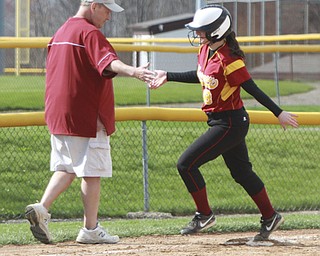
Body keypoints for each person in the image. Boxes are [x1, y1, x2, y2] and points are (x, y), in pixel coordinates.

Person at [149, 4, 298, 240]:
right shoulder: (206, 50)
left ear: (217, 31)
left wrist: (278, 112)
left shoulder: (230, 59)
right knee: (241, 172)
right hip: (223, 121)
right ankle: (271, 217)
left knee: (186, 164)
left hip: (230, 123)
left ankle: (204, 214)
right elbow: (200, 76)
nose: (198, 34)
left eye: (202, 30)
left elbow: (253, 89)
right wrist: (168, 75)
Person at [25, 0, 155, 244]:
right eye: (107, 10)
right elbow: (109, 63)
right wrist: (134, 71)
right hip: (85, 114)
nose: (109, 17)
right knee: (92, 172)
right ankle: (90, 229)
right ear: (94, 6)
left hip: (58, 113)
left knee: (66, 167)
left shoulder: (61, 31)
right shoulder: (89, 32)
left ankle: (41, 209)